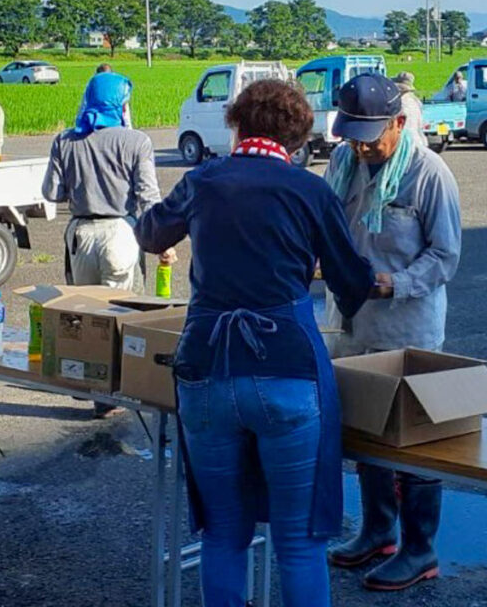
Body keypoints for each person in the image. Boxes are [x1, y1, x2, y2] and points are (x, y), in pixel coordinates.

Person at [135, 80, 376, 607]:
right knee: (298, 541)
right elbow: (351, 280)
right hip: (287, 370)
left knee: (223, 533)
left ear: (236, 123)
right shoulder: (310, 191)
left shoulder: (203, 180)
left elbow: (151, 234)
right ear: (296, 137)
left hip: (205, 369)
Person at [323, 73, 461, 591]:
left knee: (411, 441)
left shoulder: (430, 174)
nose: (360, 146)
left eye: (370, 134)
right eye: (351, 133)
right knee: (365, 432)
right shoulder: (343, 162)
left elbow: (446, 256)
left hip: (409, 326)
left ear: (399, 122)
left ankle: (419, 549)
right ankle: (378, 530)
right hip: (354, 320)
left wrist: (394, 283)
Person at [42, 70, 169, 291]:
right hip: (121, 233)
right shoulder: (137, 141)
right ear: (122, 105)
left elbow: (51, 193)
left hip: (81, 237)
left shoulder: (64, 140)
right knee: (124, 314)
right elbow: (148, 197)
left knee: (86, 314)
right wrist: (162, 241)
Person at [392, 71, 428, 147]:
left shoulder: (399, 103)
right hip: (419, 142)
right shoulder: (415, 101)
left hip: (405, 144)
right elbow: (420, 124)